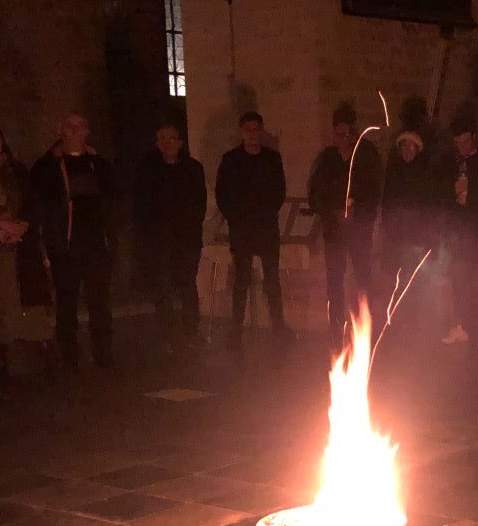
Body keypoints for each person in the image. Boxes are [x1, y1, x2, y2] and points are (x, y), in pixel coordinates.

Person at [30, 113, 118, 370]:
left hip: (96, 243)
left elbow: (113, 198)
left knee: (99, 300)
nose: (76, 132)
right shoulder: (47, 167)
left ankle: (103, 352)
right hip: (66, 245)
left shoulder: (99, 164)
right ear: (61, 131)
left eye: (80, 127)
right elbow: (41, 204)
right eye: (70, 127)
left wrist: (111, 235)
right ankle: (69, 355)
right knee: (67, 301)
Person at [0, 123, 53, 380]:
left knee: (22, 304)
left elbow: (31, 202)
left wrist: (22, 225)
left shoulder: (16, 170)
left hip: (19, 249)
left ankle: (30, 361)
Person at [215, 110, 289, 347]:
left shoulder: (272, 159)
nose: (251, 134)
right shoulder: (230, 160)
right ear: (241, 132)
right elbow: (222, 194)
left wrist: (266, 214)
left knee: (272, 279)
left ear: (261, 131)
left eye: (255, 129)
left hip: (266, 228)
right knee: (241, 279)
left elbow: (279, 191)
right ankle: (236, 329)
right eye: (247, 130)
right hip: (242, 230)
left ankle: (278, 326)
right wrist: (236, 218)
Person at [307, 107, 380, 347]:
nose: (342, 139)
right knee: (334, 282)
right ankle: (337, 329)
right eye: (337, 134)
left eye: (346, 134)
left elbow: (374, 192)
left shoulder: (366, 157)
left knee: (363, 279)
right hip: (335, 232)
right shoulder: (326, 160)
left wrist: (357, 212)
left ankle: (366, 328)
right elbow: (315, 196)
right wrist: (333, 212)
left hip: (359, 232)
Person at [134, 122, 208, 349]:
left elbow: (199, 202)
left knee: (187, 283)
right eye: (162, 139)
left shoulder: (193, 169)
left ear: (180, 142)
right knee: (163, 286)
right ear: (157, 144)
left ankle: (190, 330)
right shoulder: (149, 171)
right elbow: (142, 206)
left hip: (187, 238)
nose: (167, 143)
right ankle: (167, 333)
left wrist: (191, 229)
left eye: (171, 138)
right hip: (160, 239)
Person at [439, 114, 478, 347]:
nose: (461, 147)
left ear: (474, 137)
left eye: (464, 141)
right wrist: (454, 193)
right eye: (457, 143)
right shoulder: (451, 163)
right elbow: (442, 196)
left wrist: (470, 195)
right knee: (458, 273)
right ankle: (463, 325)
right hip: (460, 234)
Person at [379, 127, 433, 301]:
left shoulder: (424, 175)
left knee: (415, 283)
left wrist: (423, 235)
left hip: (417, 239)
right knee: (395, 283)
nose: (407, 151)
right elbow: (387, 204)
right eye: (404, 146)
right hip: (396, 238)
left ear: (417, 149)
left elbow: (429, 206)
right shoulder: (394, 173)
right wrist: (391, 229)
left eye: (411, 147)